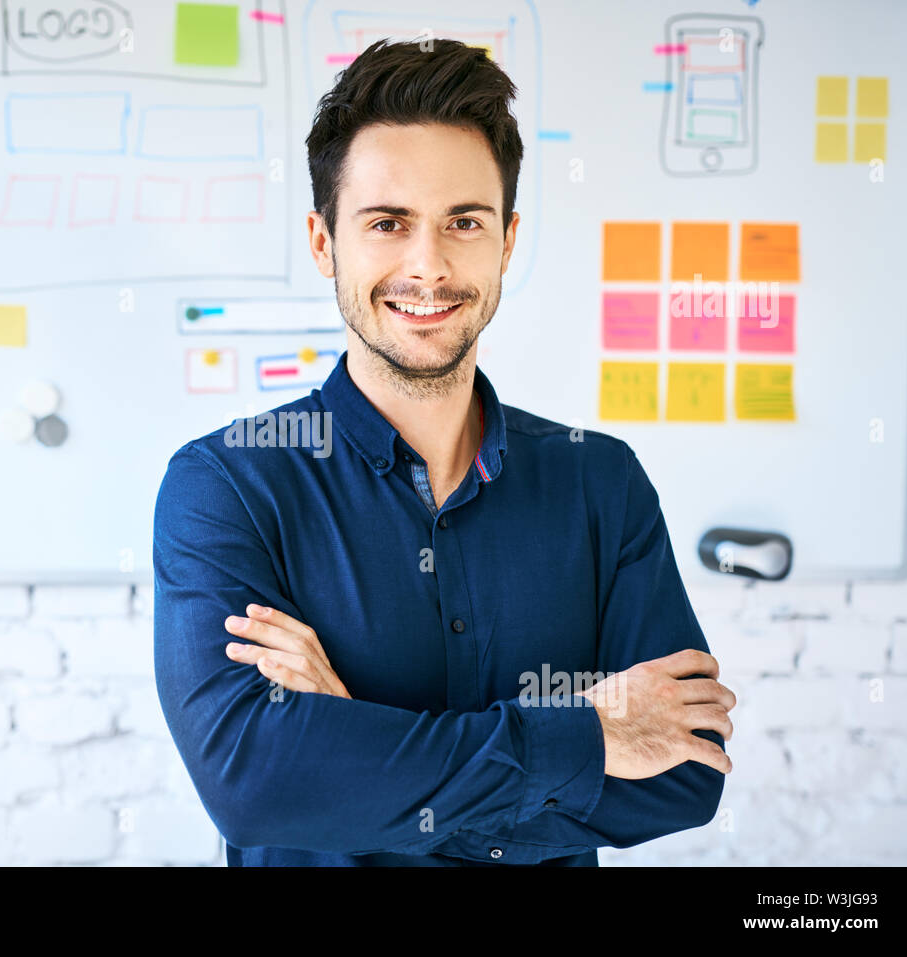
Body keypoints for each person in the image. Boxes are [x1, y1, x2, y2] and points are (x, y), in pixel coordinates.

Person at [153, 37, 735, 866]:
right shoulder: (227, 487)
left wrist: (359, 747)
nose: (428, 266)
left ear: (505, 241)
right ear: (324, 243)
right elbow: (255, 784)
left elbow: (685, 775)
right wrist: (588, 737)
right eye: (388, 223)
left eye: (464, 222)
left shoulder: (601, 484)